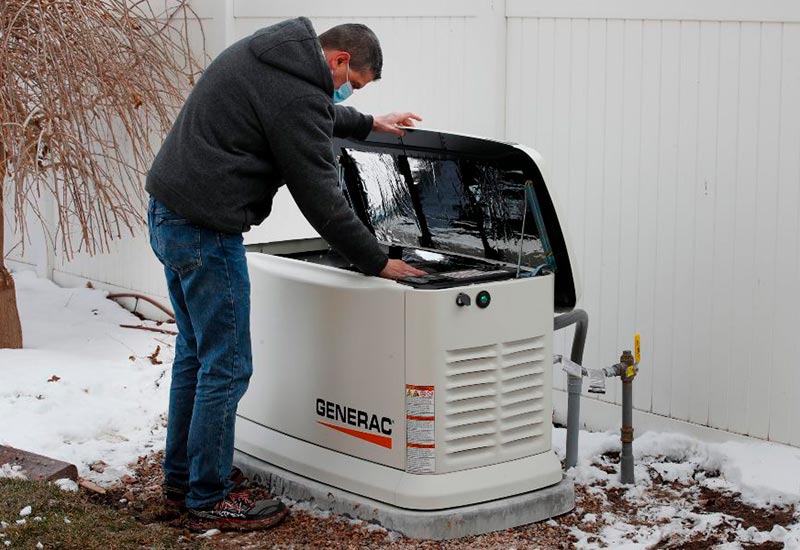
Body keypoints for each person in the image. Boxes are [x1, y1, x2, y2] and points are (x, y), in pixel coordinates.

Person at [145, 17, 424, 532]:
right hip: (206, 232)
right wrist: (375, 260)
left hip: (170, 215)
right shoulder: (295, 92)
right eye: (351, 83)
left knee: (196, 357)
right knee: (227, 367)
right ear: (339, 61)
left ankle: (182, 480)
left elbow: (312, 112)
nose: (346, 92)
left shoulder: (274, 53)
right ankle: (209, 496)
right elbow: (320, 194)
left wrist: (367, 123)